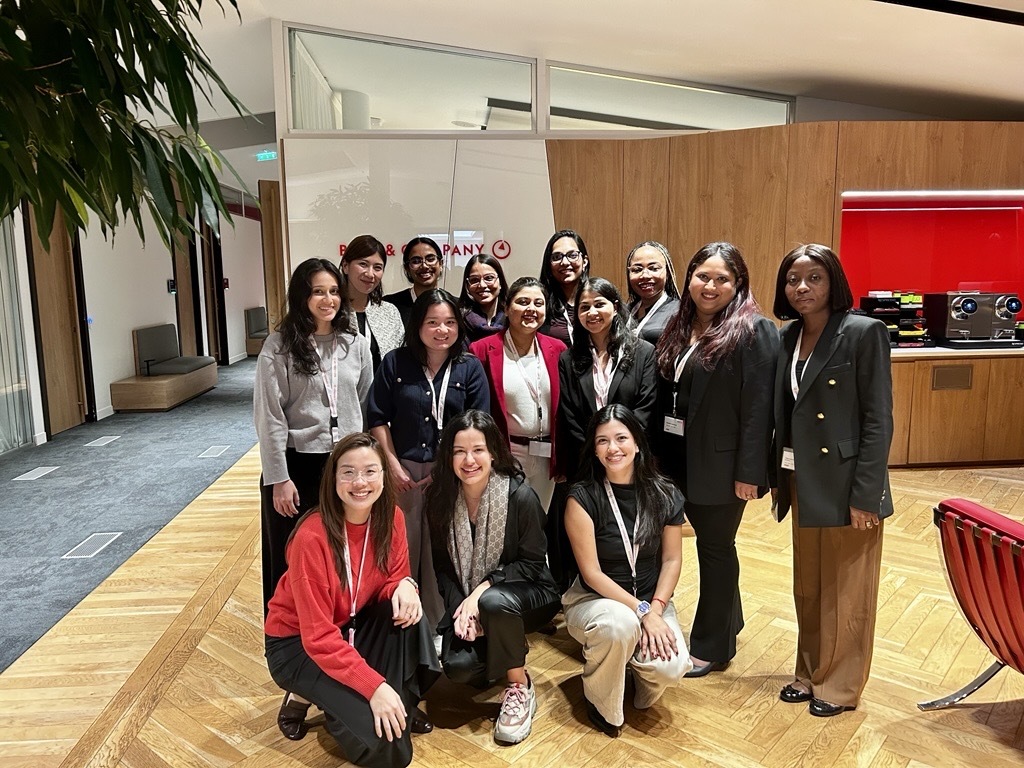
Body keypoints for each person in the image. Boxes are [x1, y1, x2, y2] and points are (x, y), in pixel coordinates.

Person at [265, 433, 440, 767]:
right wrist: (373, 687)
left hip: (349, 624)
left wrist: (404, 584)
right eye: (348, 472)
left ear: (384, 476)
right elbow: (317, 637)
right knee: (392, 751)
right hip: (297, 645)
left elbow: (392, 578)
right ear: (333, 479)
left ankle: (397, 701)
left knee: (408, 614)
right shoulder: (311, 538)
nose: (360, 482)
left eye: (370, 471)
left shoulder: (392, 519)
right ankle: (309, 694)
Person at [770, 243, 894, 717]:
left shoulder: (863, 331)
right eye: (793, 279)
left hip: (847, 482)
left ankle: (841, 685)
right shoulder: (787, 336)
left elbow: (878, 419)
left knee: (848, 589)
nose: (802, 287)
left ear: (834, 281)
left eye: (814, 277)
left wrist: (867, 493)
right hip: (802, 479)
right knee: (810, 584)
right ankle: (809, 670)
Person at [653, 242, 780, 677]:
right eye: (703, 276)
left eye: (722, 279)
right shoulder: (679, 324)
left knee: (715, 549)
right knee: (715, 548)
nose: (710, 286)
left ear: (738, 283)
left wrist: (751, 473)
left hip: (722, 468)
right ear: (688, 279)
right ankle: (731, 620)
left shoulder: (753, 330)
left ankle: (712, 645)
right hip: (675, 460)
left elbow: (759, 408)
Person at [425, 410, 561, 745]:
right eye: (459, 451)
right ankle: (503, 640)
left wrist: (480, 596)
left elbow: (531, 564)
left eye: (478, 450)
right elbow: (443, 568)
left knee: (493, 601)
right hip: (479, 601)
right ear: (448, 456)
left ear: (493, 453)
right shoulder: (440, 500)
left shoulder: (520, 497)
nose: (469, 460)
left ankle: (519, 684)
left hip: (530, 593)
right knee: (458, 668)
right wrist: (463, 611)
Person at [563, 405, 691, 737]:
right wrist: (642, 611)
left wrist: (657, 609)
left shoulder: (665, 494)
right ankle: (601, 701)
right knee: (618, 625)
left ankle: (631, 672)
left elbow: (672, 561)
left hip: (651, 602)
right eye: (602, 441)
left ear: (637, 443)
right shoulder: (581, 498)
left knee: (672, 665)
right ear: (594, 449)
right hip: (595, 602)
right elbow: (591, 574)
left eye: (621, 438)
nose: (613, 448)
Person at [367, 289, 490, 631]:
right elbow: (377, 417)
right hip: (401, 472)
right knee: (401, 552)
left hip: (451, 475)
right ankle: (401, 627)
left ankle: (439, 629)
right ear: (417, 325)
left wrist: (448, 472)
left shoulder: (469, 367)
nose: (442, 330)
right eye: (432, 322)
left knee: (445, 553)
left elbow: (479, 424)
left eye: (450, 322)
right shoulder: (395, 361)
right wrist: (390, 465)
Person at [254, 258, 372, 612]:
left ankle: (336, 627)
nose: (328, 300)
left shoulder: (356, 344)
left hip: (344, 466)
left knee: (340, 552)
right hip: (296, 466)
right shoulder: (279, 347)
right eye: (318, 291)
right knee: (290, 556)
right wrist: (278, 477)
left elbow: (364, 402)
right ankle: (285, 636)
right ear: (302, 296)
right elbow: (270, 417)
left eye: (334, 291)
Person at [553, 277, 657, 591]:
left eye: (600, 303)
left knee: (626, 528)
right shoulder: (569, 359)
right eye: (584, 307)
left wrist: (618, 449)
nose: (593, 312)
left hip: (630, 463)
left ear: (615, 306)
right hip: (586, 463)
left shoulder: (643, 352)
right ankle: (587, 592)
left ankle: (634, 589)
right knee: (587, 528)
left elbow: (645, 406)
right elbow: (569, 412)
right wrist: (597, 450)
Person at [469, 277, 566, 510]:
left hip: (546, 456)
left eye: (538, 303)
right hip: (506, 454)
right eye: (523, 302)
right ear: (507, 307)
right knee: (506, 525)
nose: (531, 309)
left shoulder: (558, 350)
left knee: (539, 524)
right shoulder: (482, 350)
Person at [341, 234, 406, 372]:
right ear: (345, 266)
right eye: (363, 264)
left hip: (383, 392)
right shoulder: (332, 311)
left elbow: (401, 359)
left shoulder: (389, 312)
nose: (370, 274)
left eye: (377, 267)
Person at [538, 229, 590, 346]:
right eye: (557, 257)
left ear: (585, 261)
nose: (565, 262)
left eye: (572, 255)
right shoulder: (540, 302)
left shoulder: (598, 297)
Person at [626, 240, 681, 345]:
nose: (645, 275)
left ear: (668, 273)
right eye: (637, 270)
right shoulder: (623, 311)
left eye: (654, 268)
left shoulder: (679, 312)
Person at [384, 237, 444, 328]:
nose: (424, 266)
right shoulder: (390, 306)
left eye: (430, 259)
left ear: (441, 264)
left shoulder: (455, 306)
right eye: (416, 261)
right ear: (407, 268)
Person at [459, 254, 509, 342]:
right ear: (467, 286)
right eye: (474, 280)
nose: (482, 285)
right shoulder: (458, 319)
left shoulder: (512, 318)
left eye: (489, 278)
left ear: (500, 281)